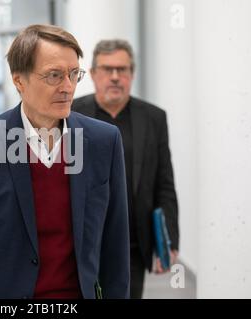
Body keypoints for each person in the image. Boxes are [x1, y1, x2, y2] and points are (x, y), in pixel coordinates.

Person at [0, 24, 130, 299]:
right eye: (54, 76)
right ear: (19, 80)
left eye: (73, 74)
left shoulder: (103, 141)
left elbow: (115, 246)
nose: (67, 87)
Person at [72, 39, 179, 299]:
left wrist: (170, 240)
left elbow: (164, 182)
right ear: (94, 74)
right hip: (81, 239)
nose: (115, 77)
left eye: (123, 70)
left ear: (132, 74)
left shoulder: (154, 118)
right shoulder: (70, 114)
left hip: (131, 242)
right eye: (108, 69)